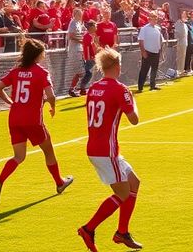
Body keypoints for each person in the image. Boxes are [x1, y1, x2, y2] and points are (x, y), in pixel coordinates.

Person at [0, 38, 74, 204]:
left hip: (14, 118)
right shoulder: (41, 72)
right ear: (38, 55)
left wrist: (10, 102)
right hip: (32, 120)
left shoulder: (16, 71)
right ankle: (59, 182)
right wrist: (52, 107)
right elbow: (50, 95)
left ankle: (0, 180)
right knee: (48, 151)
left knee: (19, 156)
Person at [78, 47, 144, 251]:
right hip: (105, 151)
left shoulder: (93, 88)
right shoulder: (119, 88)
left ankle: (122, 232)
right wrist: (133, 101)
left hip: (99, 147)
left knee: (134, 182)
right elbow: (134, 120)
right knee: (123, 193)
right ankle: (88, 229)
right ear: (117, 66)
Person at [137, 12, 163, 92]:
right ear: (149, 19)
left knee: (154, 69)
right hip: (148, 52)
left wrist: (160, 52)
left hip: (156, 52)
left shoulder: (158, 29)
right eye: (153, 18)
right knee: (144, 70)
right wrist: (143, 52)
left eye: (156, 18)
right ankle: (140, 87)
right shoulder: (144, 28)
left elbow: (160, 41)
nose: (155, 20)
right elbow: (141, 41)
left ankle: (153, 85)